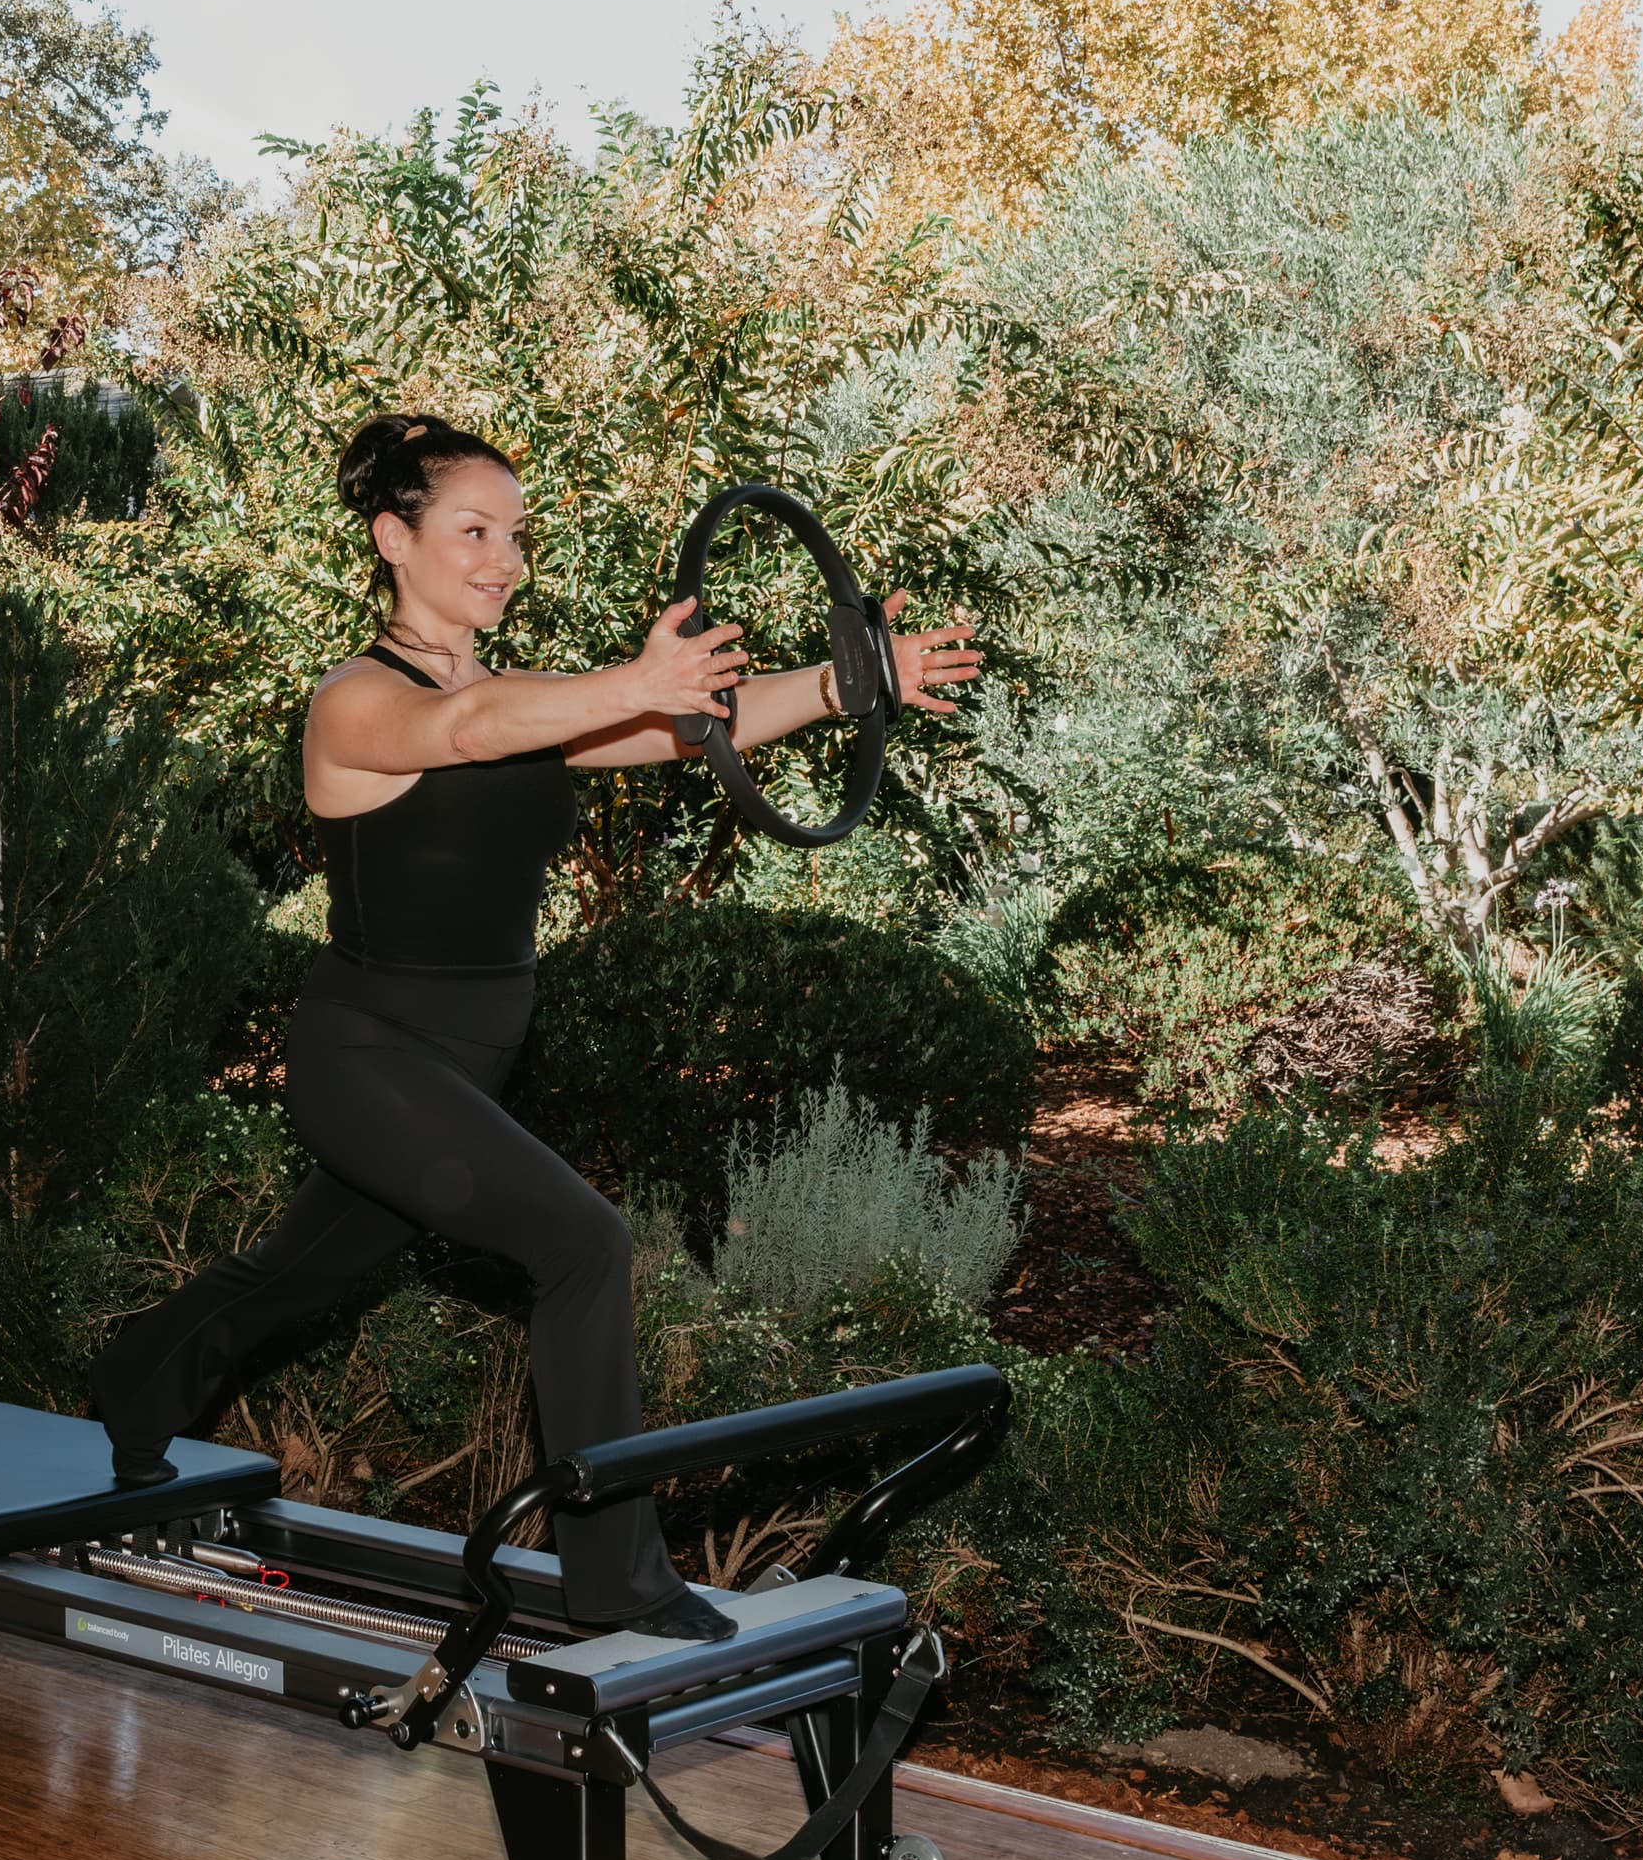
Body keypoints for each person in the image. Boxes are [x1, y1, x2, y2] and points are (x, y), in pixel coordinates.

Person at [88, 412, 981, 1638]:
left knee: (300, 1279)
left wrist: (843, 684)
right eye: (473, 530)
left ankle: (127, 1395)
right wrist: (630, 679)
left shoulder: (528, 703)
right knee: (582, 1246)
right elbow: (463, 728)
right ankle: (620, 1579)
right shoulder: (354, 702)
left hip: (464, 1069)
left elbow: (684, 728)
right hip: (369, 1060)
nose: (504, 558)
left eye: (515, 535)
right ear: (392, 539)